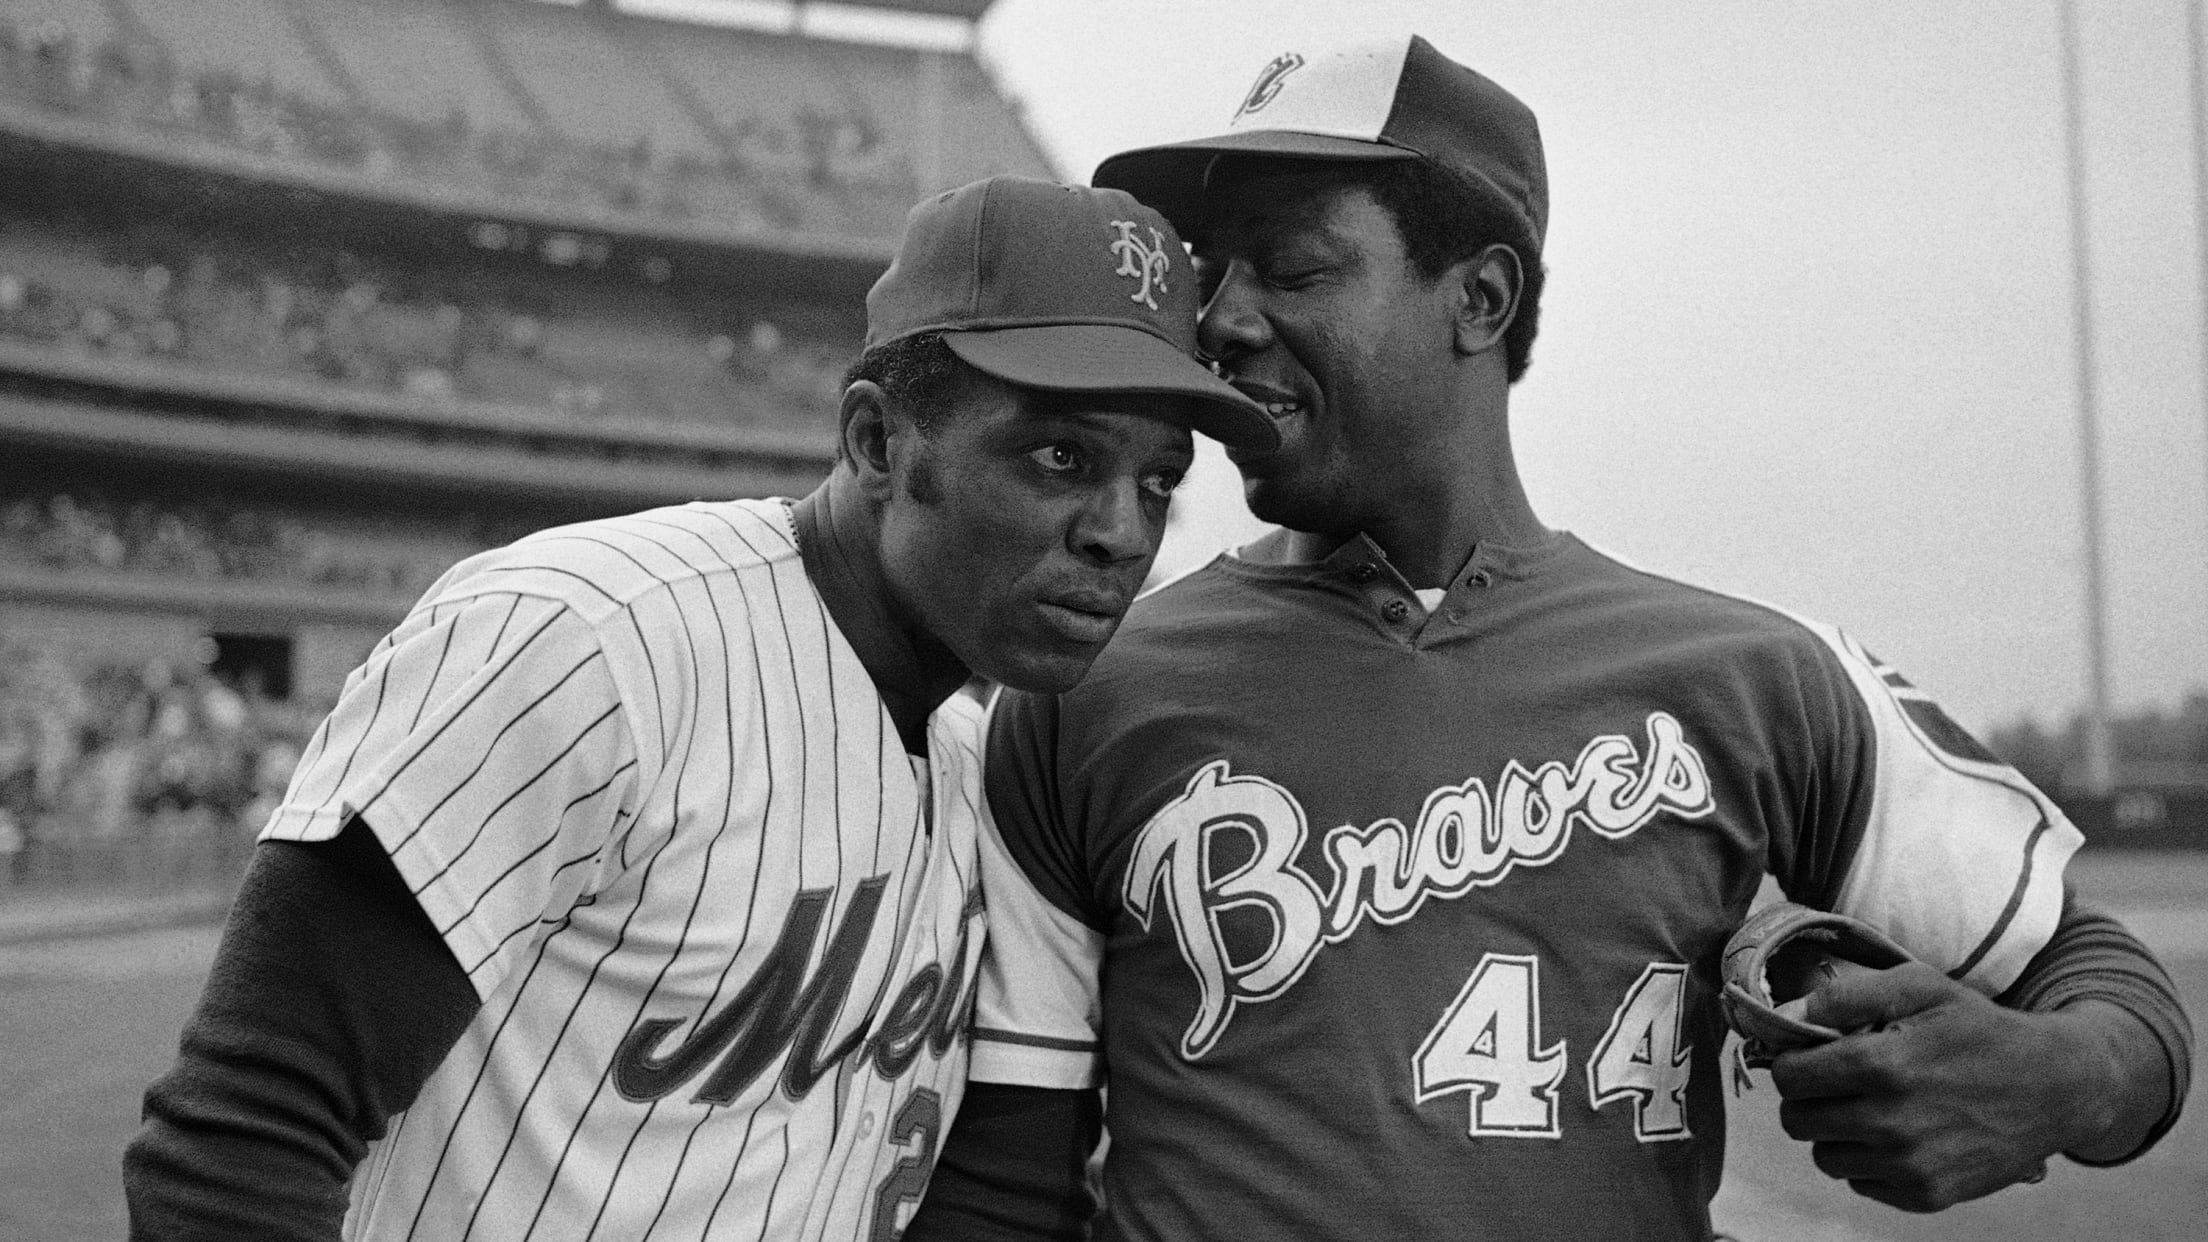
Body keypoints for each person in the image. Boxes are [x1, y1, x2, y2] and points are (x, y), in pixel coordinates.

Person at [906, 37, 2194, 1242]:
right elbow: (1007, 1184)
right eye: (1214, 272)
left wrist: (2059, 1079)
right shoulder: (1084, 694)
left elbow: (2098, 980)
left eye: (1292, 267)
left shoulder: (1758, 676)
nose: (1225, 317)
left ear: (1478, 297)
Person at [123, 174, 1274, 1241]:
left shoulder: (982, 764)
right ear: (877, 442)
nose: (1121, 529)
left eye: (1159, 482)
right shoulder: (585, 639)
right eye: (1061, 458)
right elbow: (241, 1140)